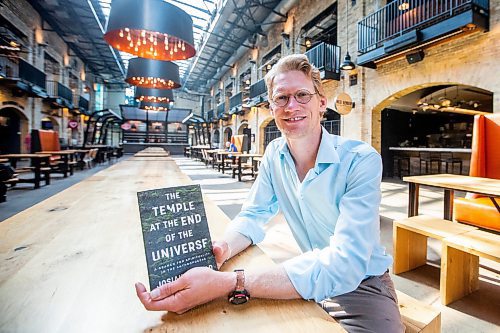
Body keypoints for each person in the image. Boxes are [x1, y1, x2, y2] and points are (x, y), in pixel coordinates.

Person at [135, 54, 404, 332]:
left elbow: (347, 262)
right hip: (307, 274)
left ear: (321, 103)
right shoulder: (274, 154)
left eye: (302, 95)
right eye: (281, 98)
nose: (292, 106)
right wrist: (223, 247)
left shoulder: (360, 159)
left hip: (362, 283)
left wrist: (233, 282)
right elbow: (254, 214)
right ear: (271, 106)